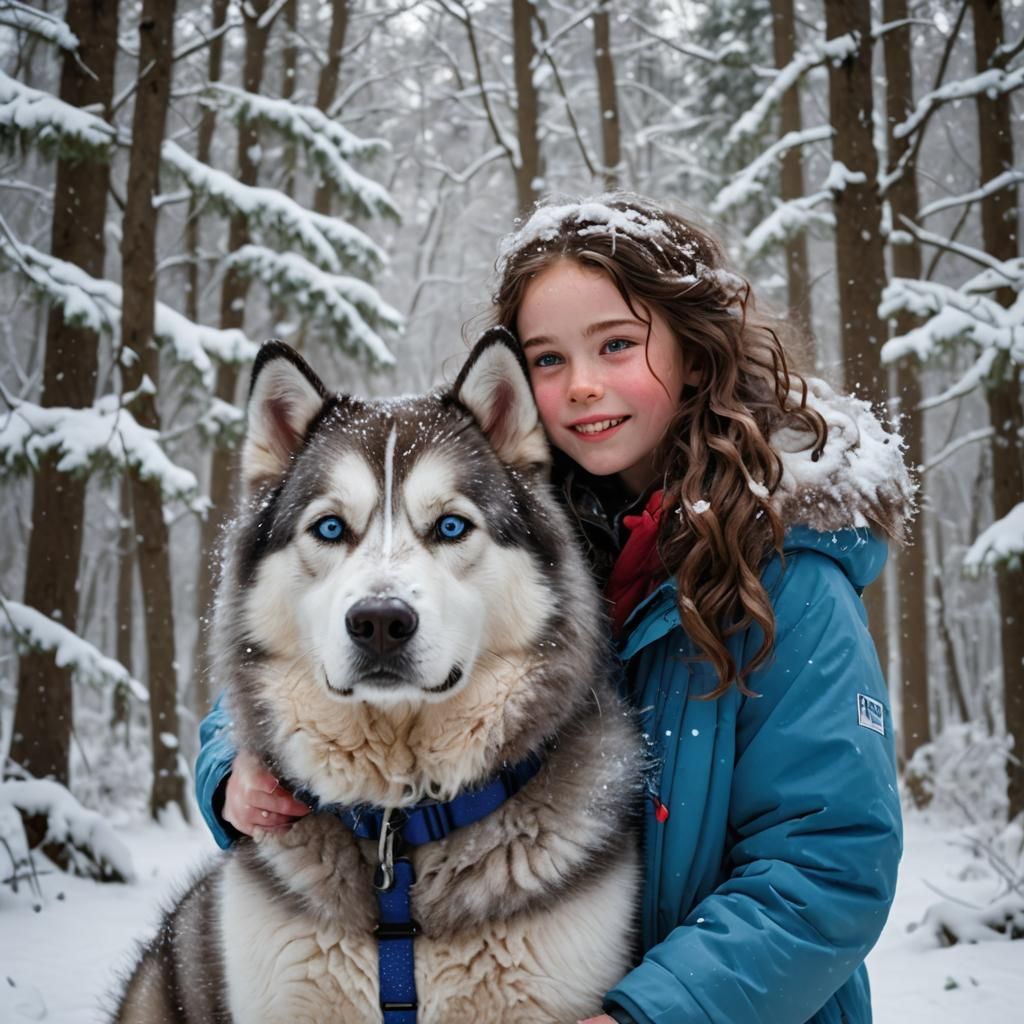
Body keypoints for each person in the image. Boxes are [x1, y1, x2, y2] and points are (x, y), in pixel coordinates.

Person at [195, 193, 910, 1024]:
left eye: (615, 344)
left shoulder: (789, 574)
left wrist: (654, 1012)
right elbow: (300, 659)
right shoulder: (518, 521)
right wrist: (230, 767)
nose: (582, 386)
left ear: (694, 348)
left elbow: (828, 864)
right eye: (546, 359)